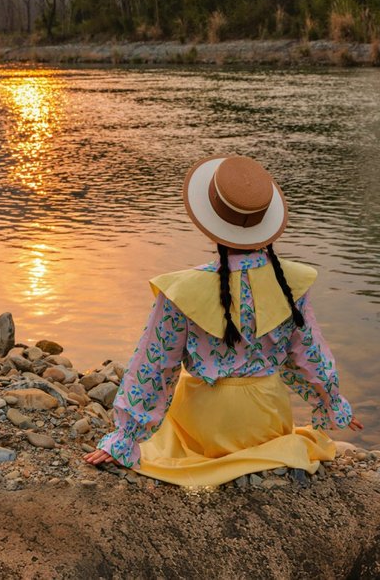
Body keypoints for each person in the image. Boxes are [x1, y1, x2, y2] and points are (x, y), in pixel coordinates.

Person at [84, 154, 362, 486]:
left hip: (208, 424)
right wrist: (332, 404)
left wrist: (125, 438)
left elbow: (155, 365)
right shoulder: (291, 283)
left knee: (171, 426)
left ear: (211, 221)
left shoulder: (184, 290)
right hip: (267, 420)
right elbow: (309, 353)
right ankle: (264, 450)